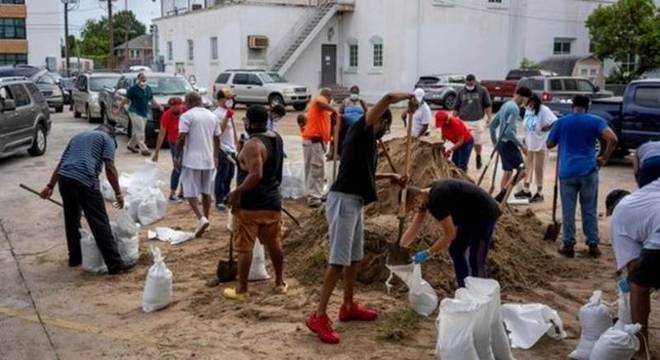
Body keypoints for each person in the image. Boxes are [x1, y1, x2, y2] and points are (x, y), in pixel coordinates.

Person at [305, 92, 411, 345]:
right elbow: (386, 98)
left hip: (355, 201)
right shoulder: (361, 130)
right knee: (338, 261)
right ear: (377, 121)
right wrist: (410, 98)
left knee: (353, 258)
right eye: (384, 125)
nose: (384, 131)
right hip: (343, 201)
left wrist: (391, 178)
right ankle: (318, 316)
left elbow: (364, 174)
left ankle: (348, 306)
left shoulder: (366, 144)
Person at [39, 124, 131, 274]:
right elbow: (110, 167)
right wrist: (118, 194)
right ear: (112, 135)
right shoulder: (106, 138)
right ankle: (115, 265)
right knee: (99, 222)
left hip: (65, 179)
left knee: (72, 220)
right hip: (85, 180)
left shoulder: (77, 137)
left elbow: (61, 164)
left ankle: (75, 258)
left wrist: (50, 186)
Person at [223, 105, 286, 300]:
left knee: (244, 247)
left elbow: (256, 174)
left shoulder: (253, 145)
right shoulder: (276, 138)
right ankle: (279, 283)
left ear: (249, 121)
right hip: (272, 201)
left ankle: (242, 289)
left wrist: (237, 192)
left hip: (251, 204)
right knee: (274, 243)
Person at [547, 94, 618, 258]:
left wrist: (558, 135)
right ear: (588, 106)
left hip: (567, 172)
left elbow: (549, 144)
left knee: (568, 210)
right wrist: (604, 158)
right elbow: (613, 139)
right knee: (589, 209)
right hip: (588, 170)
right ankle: (593, 244)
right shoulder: (595, 121)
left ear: (572, 105)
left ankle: (568, 244)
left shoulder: (562, 122)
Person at [400, 179, 501, 288]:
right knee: (456, 249)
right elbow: (416, 225)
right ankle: (464, 288)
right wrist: (400, 247)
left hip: (484, 213)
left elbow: (450, 234)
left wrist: (428, 252)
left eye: (413, 208)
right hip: (468, 216)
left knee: (476, 258)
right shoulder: (426, 195)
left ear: (416, 198)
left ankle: (481, 294)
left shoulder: (436, 200)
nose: (416, 210)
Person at [607, 183, 660, 358]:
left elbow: (633, 265)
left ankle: (641, 350)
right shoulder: (646, 194)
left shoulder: (619, 216)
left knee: (638, 286)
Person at [174, 92, 221, 237]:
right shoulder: (212, 116)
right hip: (208, 160)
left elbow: (181, 138)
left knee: (189, 192)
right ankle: (206, 219)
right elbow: (217, 139)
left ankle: (201, 218)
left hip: (191, 160)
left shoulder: (187, 116)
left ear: (188, 102)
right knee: (206, 191)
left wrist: (177, 156)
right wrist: (216, 156)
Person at [489, 86, 532, 203]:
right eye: (527, 99)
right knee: (523, 171)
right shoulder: (514, 108)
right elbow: (508, 132)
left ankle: (502, 202)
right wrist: (521, 146)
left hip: (501, 143)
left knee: (508, 172)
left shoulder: (505, 105)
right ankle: (502, 194)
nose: (527, 103)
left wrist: (495, 143)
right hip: (509, 144)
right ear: (523, 97)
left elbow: (492, 125)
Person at [515, 93, 557, 202]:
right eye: (529, 103)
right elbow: (527, 124)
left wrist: (547, 128)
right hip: (530, 143)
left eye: (532, 103)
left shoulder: (544, 110)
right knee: (527, 167)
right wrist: (525, 137)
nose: (530, 105)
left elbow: (555, 121)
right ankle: (526, 189)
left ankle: (539, 192)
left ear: (536, 102)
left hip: (541, 144)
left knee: (539, 168)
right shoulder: (529, 109)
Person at [301, 88, 337, 208]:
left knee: (312, 169)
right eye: (331, 99)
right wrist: (334, 110)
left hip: (314, 141)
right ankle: (314, 197)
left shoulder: (322, 110)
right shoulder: (321, 100)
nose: (331, 101)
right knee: (317, 169)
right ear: (328, 96)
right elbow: (319, 102)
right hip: (314, 141)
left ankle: (313, 194)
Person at [116, 72, 162, 156]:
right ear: (138, 79)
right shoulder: (133, 89)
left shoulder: (148, 88)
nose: (143, 79)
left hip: (144, 112)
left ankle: (131, 145)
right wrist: (119, 109)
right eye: (141, 78)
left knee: (137, 130)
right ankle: (144, 149)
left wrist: (159, 106)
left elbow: (152, 100)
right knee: (140, 130)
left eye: (144, 78)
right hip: (134, 112)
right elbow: (125, 100)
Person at [453, 74, 493, 170]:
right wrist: (452, 119)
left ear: (475, 82)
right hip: (464, 121)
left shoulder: (482, 90)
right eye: (468, 84)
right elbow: (456, 107)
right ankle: (463, 163)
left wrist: (489, 117)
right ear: (465, 82)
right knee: (463, 143)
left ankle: (478, 156)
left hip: (477, 120)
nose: (469, 85)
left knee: (478, 142)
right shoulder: (461, 92)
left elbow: (487, 105)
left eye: (471, 84)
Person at [152, 97, 187, 202]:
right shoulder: (166, 116)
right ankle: (172, 193)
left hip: (185, 142)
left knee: (187, 166)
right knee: (177, 167)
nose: (176, 108)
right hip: (174, 143)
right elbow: (161, 135)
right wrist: (156, 152)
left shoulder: (186, 111)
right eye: (173, 106)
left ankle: (183, 191)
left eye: (178, 105)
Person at [213, 89, 237, 211]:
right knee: (222, 175)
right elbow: (218, 132)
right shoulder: (217, 114)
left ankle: (227, 197)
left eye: (231, 98)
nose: (230, 101)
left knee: (230, 175)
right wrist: (227, 117)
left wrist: (237, 146)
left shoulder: (228, 111)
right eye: (227, 98)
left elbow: (233, 130)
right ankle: (219, 200)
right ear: (221, 99)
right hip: (223, 149)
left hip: (231, 148)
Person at [338, 85, 368, 151]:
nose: (354, 94)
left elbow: (367, 112)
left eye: (355, 93)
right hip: (347, 126)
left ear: (358, 93)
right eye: (353, 92)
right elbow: (340, 112)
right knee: (344, 140)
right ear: (350, 93)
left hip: (359, 126)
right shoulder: (345, 101)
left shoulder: (362, 102)